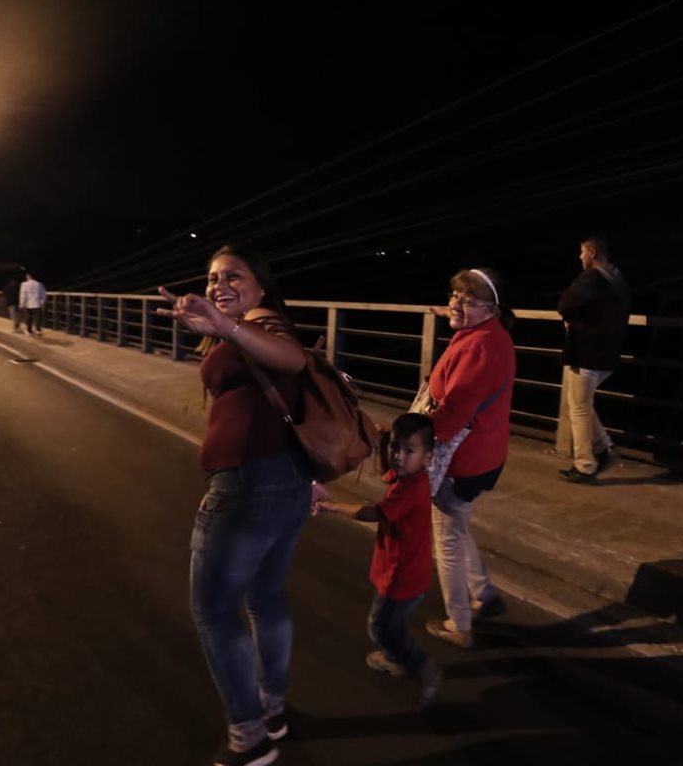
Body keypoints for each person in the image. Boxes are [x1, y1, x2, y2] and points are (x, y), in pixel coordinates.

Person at [156, 244, 311, 766]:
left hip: (247, 487)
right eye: (212, 276)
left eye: (234, 275)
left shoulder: (265, 323)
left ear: (261, 284)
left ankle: (250, 736)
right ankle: (272, 710)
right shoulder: (242, 324)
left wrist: (225, 327)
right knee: (265, 599)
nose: (220, 283)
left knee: (215, 612)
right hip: (284, 482)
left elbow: (294, 358)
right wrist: (216, 329)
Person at [317, 412, 443, 705]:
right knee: (392, 623)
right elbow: (384, 472)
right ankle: (393, 657)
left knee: (380, 626)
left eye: (408, 450)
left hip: (402, 576)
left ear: (428, 458)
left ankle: (421, 666)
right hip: (408, 571)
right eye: (395, 448)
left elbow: (372, 512)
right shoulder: (410, 478)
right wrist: (382, 441)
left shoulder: (409, 490)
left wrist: (332, 505)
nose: (398, 456)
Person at [423, 267, 515, 649]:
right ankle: (484, 594)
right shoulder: (493, 336)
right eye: (454, 297)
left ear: (491, 309)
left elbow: (454, 413)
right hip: (486, 452)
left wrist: (414, 443)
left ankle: (459, 624)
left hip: (463, 460)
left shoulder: (478, 346)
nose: (457, 305)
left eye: (469, 301)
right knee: (457, 525)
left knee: (445, 540)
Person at [554, 236, 631, 484]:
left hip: (586, 351)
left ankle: (585, 464)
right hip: (609, 352)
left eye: (582, 253)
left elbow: (565, 304)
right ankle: (604, 447)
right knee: (583, 403)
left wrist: (571, 318)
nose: (580, 258)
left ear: (592, 252)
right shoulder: (618, 279)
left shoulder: (591, 277)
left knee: (577, 406)